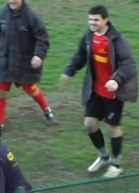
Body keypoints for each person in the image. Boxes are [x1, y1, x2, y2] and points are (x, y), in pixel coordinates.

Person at [59, 5, 138, 178]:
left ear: (105, 20)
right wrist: (68, 71)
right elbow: (79, 56)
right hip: (95, 91)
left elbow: (128, 65)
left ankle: (116, 164)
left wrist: (115, 80)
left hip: (112, 92)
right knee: (89, 124)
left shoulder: (117, 40)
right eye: (90, 20)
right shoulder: (89, 36)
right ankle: (103, 155)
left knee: (113, 126)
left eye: (96, 20)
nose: (92, 23)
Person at [0, 0, 55, 128]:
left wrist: (38, 55)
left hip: (24, 61)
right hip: (5, 60)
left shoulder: (31, 16)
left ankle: (46, 109)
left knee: (30, 89)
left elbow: (42, 39)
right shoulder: (1, 14)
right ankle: (0, 122)